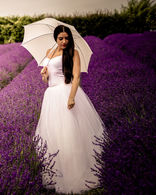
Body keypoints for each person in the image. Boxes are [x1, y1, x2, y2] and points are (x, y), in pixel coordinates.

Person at [34, 24, 106, 194]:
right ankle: (59, 173)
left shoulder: (73, 53)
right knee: (55, 135)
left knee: (70, 134)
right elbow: (47, 81)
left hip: (65, 93)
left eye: (67, 38)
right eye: (61, 38)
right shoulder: (49, 53)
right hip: (51, 96)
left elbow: (76, 77)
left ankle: (76, 174)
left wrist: (72, 97)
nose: (64, 41)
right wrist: (45, 75)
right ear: (56, 39)